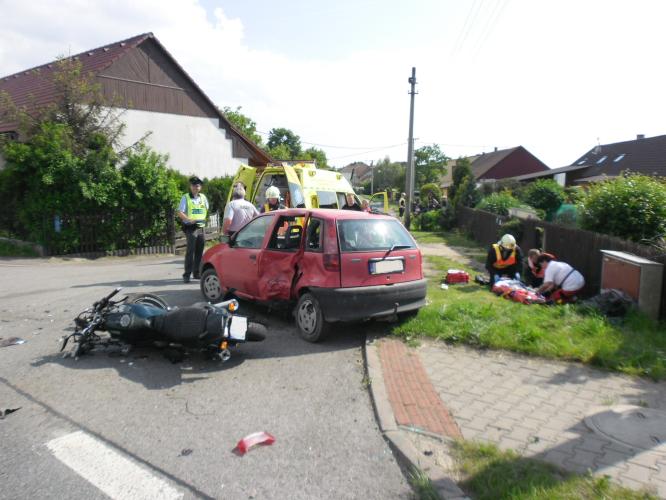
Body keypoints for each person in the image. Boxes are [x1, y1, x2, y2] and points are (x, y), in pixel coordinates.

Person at [178, 176, 209, 283]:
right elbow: (180, 212)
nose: (196, 187)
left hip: (201, 227)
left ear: (200, 187)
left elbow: (206, 209)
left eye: (198, 185)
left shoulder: (203, 197)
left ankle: (196, 273)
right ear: (190, 186)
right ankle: (187, 274)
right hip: (191, 228)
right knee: (190, 252)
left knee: (200, 251)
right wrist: (187, 219)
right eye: (194, 185)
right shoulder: (185, 197)